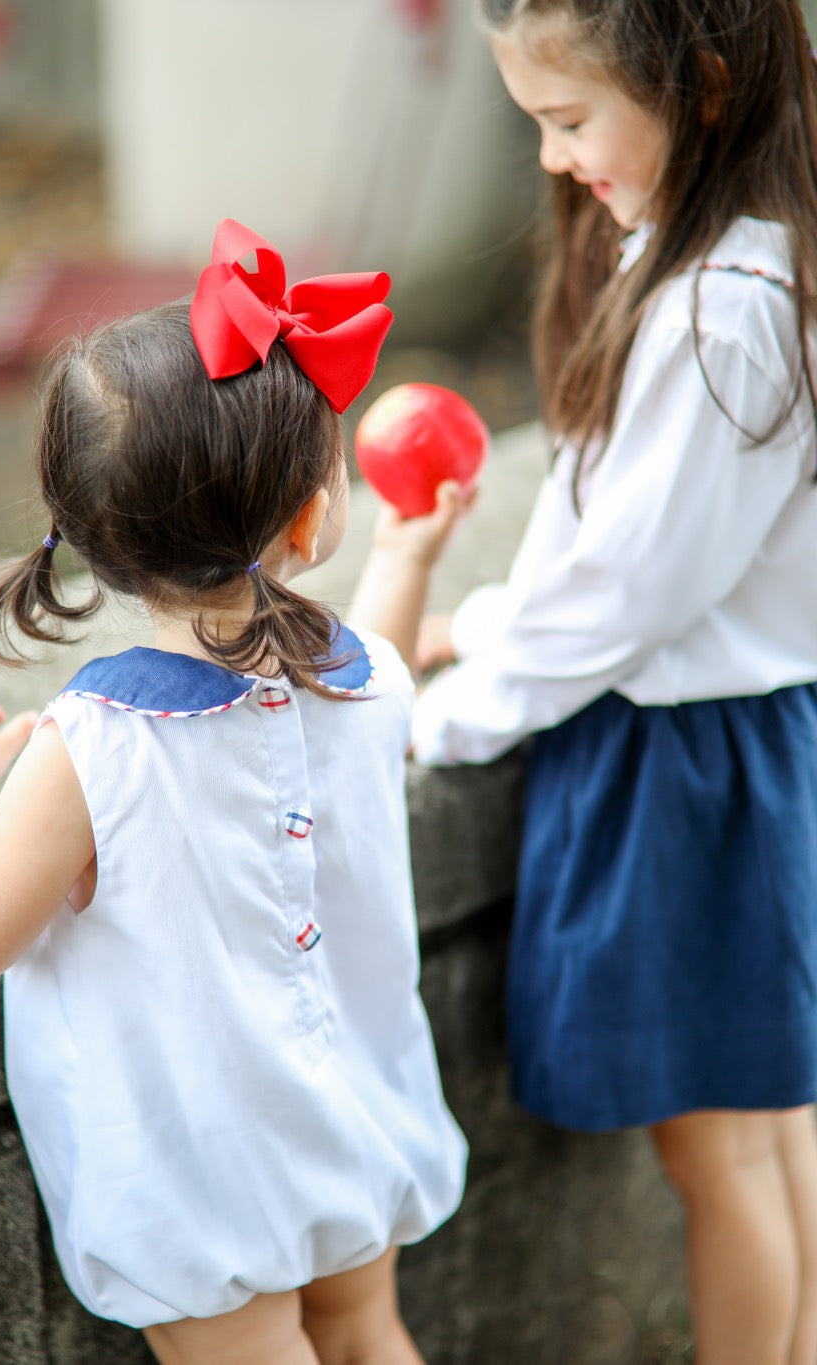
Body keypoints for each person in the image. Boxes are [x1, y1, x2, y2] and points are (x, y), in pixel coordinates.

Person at [0, 218, 468, 1365]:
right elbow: (385, 687)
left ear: (92, 537)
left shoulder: (95, 745)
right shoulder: (362, 675)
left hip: (205, 1171)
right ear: (313, 518)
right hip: (352, 1109)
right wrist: (407, 559)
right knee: (370, 1335)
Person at [361, 1, 817, 1360]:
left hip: (682, 766)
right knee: (773, 1125)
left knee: (720, 1155)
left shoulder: (714, 317)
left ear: (710, 88)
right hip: (739, 738)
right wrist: (495, 621)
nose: (556, 160)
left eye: (570, 122)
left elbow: (629, 593)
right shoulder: (754, 268)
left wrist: (453, 716)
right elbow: (653, 553)